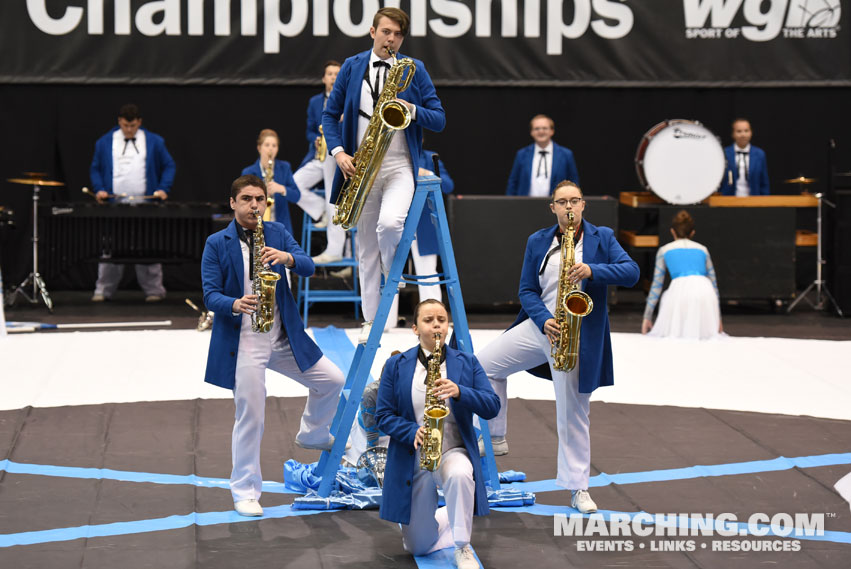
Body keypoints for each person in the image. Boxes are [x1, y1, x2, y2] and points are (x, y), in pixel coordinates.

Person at [475, 181, 639, 513]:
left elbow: (632, 272)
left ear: (583, 205)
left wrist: (592, 269)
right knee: (483, 365)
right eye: (561, 202)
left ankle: (578, 488)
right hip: (543, 328)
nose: (568, 207)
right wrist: (542, 319)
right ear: (552, 207)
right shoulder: (538, 240)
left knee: (573, 415)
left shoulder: (602, 237)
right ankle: (495, 436)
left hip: (578, 337)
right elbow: (526, 290)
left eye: (574, 201)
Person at [201, 175, 345, 517]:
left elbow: (309, 265)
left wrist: (288, 258)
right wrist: (234, 304)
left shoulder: (277, 232)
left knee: (333, 380)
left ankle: (312, 432)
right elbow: (209, 295)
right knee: (251, 414)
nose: (254, 205)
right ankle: (245, 491)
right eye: (247, 199)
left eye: (260, 199)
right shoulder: (216, 242)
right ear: (233, 203)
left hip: (281, 336)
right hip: (245, 338)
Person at [322, 6, 446, 343]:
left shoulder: (413, 69)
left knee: (390, 224)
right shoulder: (351, 66)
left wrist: (413, 109)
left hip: (398, 166)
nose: (391, 39)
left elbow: (439, 117)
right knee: (365, 250)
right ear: (373, 31)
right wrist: (339, 153)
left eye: (397, 34)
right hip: (361, 168)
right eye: (386, 32)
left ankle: (394, 273)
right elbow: (330, 116)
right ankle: (371, 322)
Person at [375, 299, 499, 569]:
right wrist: (410, 430)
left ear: (447, 326)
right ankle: (449, 513)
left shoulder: (467, 362)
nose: (436, 326)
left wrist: (461, 391)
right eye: (428, 320)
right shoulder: (396, 365)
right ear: (415, 329)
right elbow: (382, 415)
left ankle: (462, 545)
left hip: (452, 449)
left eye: (441, 320)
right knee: (417, 546)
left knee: (460, 474)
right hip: (414, 455)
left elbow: (492, 406)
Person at [90, 103, 176, 302]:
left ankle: (154, 290)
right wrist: (99, 189)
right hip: (114, 205)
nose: (129, 130)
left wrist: (163, 188)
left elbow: (169, 165)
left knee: (148, 245)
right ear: (119, 121)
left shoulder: (154, 141)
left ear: (139, 123)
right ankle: (103, 289)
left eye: (133, 126)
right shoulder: (104, 142)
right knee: (109, 248)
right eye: (125, 126)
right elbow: (95, 168)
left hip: (145, 205)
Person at [291, 60, 350, 267]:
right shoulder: (315, 101)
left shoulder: (348, 99)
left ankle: (334, 249)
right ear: (324, 78)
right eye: (330, 74)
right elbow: (308, 129)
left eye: (337, 74)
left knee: (334, 198)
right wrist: (315, 139)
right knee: (293, 184)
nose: (333, 77)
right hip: (319, 154)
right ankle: (319, 210)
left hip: (338, 154)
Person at [387, 148, 454, 327]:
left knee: (428, 274)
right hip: (393, 220)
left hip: (422, 223)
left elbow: (448, 185)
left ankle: (434, 319)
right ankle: (384, 322)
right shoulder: (387, 155)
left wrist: (428, 173)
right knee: (388, 272)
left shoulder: (430, 157)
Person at [641, 210, 723, 339]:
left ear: (672, 231)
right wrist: (718, 318)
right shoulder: (703, 249)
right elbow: (713, 283)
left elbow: (657, 286)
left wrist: (647, 317)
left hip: (679, 291)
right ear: (692, 233)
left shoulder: (664, 250)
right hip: (706, 292)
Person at [241, 129, 302, 237]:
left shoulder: (285, 167)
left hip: (281, 227)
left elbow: (297, 196)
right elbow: (243, 201)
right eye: (267, 145)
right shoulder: (248, 172)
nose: (271, 149)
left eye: (274, 146)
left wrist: (282, 189)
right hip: (255, 225)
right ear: (259, 148)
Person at [505, 115, 579, 197]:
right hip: (525, 206)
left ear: (552, 131)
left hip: (557, 206)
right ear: (531, 132)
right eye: (536, 128)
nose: (541, 131)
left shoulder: (566, 154)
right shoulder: (521, 154)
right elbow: (513, 182)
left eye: (544, 128)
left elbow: (574, 183)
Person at [719, 118, 769, 196]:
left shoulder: (759, 154)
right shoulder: (724, 153)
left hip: (753, 201)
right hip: (729, 201)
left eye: (746, 131)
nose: (743, 134)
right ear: (733, 134)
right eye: (739, 131)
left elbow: (764, 183)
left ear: (751, 132)